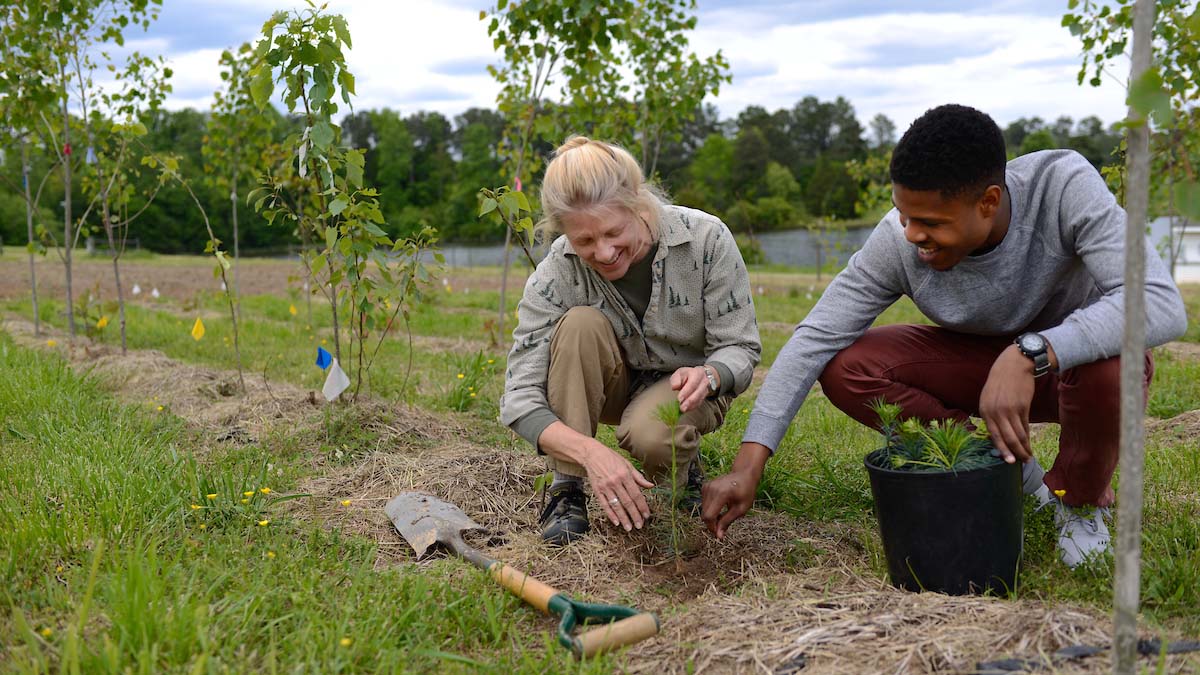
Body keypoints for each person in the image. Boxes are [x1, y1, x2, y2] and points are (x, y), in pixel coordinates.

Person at [702, 104, 1188, 567]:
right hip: (976, 368)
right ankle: (1009, 473)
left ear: (988, 202)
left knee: (1115, 363)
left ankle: (1077, 504)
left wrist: (1031, 353)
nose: (912, 234)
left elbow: (1159, 302)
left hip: (1068, 373)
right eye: (903, 215)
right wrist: (749, 463)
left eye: (930, 222)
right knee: (849, 367)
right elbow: (814, 337)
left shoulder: (1062, 186)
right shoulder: (900, 239)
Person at [500, 136, 762, 546]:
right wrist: (588, 452)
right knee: (580, 325)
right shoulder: (558, 270)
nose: (603, 253)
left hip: (689, 391)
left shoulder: (706, 239)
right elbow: (518, 399)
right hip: (612, 385)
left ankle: (679, 469)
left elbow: (741, 346)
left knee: (651, 435)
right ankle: (566, 490)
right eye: (584, 241)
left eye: (613, 232)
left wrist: (712, 373)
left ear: (639, 205)